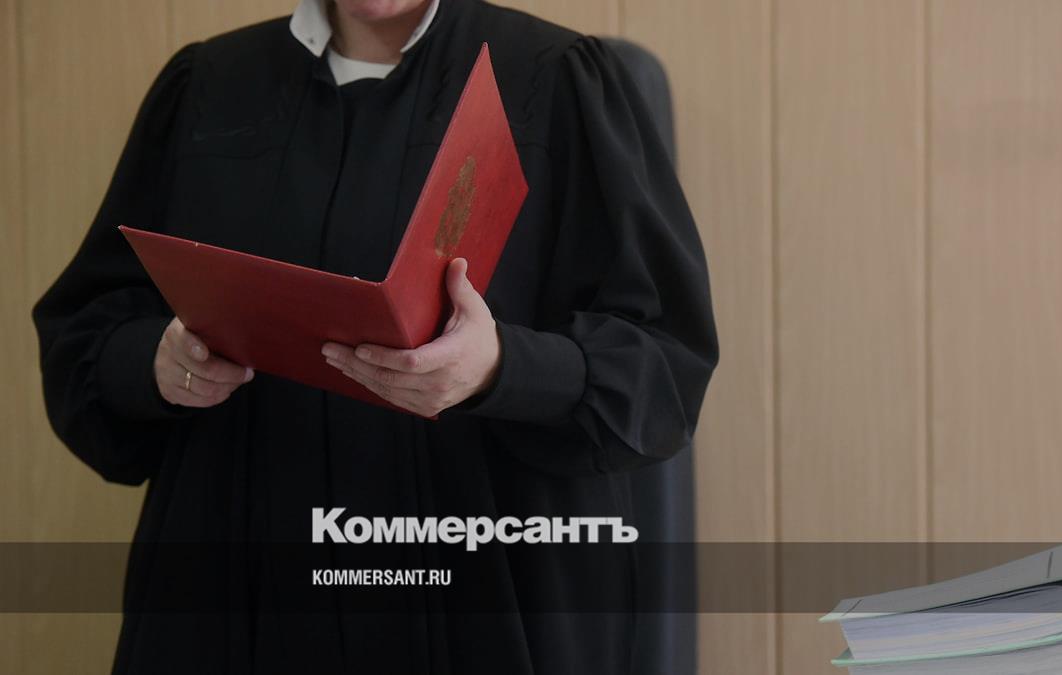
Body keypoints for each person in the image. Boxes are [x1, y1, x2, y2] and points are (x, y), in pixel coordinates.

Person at [32, 0, 718, 672]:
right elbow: (87, 330)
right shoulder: (208, 85)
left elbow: (661, 365)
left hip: (477, 590)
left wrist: (500, 368)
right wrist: (157, 362)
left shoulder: (554, 77)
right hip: (232, 591)